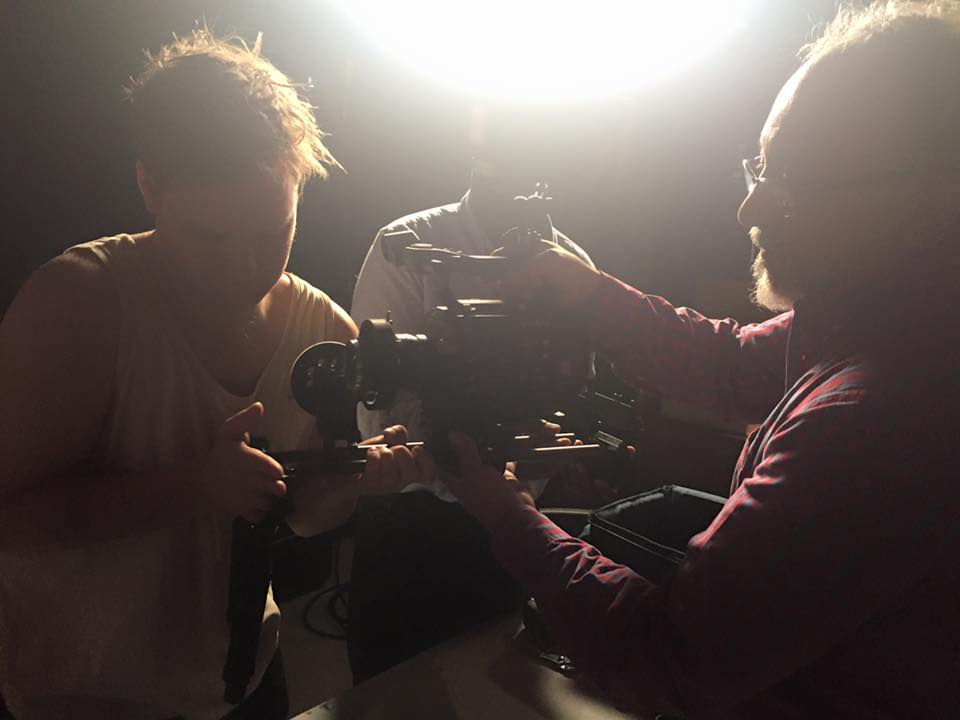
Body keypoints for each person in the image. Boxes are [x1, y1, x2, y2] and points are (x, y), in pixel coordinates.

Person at [434, 3, 960, 718]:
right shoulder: (882, 312)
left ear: (932, 195)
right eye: (759, 167)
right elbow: (734, 364)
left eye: (792, 180)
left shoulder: (876, 416)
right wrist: (591, 295)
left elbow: (669, 658)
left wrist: (509, 516)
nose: (749, 208)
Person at [0, 30, 415, 720]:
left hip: (243, 672)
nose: (245, 268)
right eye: (212, 238)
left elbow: (306, 519)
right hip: (85, 690)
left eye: (273, 232)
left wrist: (349, 478)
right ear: (149, 185)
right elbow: (10, 519)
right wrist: (194, 485)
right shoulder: (79, 304)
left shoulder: (325, 329)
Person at [346, 159, 596, 682]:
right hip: (410, 525)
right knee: (387, 693)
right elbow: (380, 410)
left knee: (500, 681)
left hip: (518, 523)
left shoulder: (572, 263)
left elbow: (573, 386)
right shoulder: (405, 243)